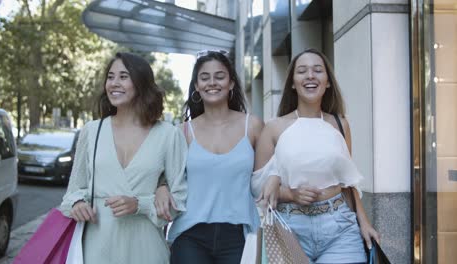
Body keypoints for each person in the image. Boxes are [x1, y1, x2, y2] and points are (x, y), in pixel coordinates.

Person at [253, 48, 380, 263]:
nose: (310, 76)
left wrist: (364, 223)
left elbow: (348, 181)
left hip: (340, 227)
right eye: (302, 71)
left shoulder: (340, 123)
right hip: (289, 227)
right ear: (293, 83)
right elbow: (257, 186)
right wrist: (290, 194)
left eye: (318, 70)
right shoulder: (274, 128)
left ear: (328, 81)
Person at [59, 52, 187, 264]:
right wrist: (78, 203)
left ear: (141, 83)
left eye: (123, 76)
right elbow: (72, 192)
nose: (114, 83)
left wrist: (140, 205)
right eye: (110, 77)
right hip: (96, 249)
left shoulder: (169, 135)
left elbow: (180, 201)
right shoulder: (91, 131)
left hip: (147, 250)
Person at [155, 50, 264, 264]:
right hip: (190, 235)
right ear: (196, 86)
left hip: (240, 235)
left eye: (220, 76)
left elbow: (265, 178)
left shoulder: (252, 126)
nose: (212, 82)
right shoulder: (182, 132)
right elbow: (166, 176)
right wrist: (161, 186)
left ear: (231, 83)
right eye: (204, 78)